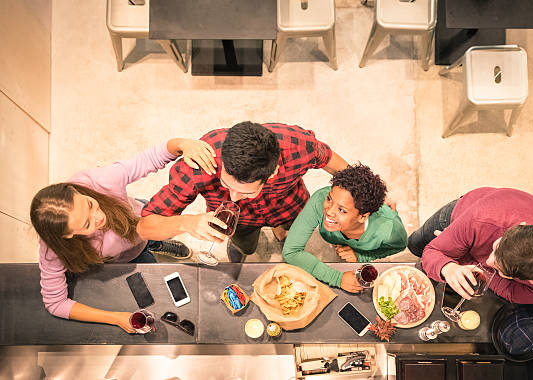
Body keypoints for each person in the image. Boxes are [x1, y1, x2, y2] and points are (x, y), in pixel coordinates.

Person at [31, 138, 215, 332]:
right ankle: (153, 246)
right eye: (87, 224)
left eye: (91, 204)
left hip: (139, 219)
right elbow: (55, 303)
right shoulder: (54, 250)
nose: (99, 216)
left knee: (155, 234)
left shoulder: (99, 181)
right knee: (153, 283)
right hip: (126, 257)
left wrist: (181, 145)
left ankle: (157, 244)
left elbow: (148, 159)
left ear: (77, 191)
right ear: (67, 236)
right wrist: (115, 318)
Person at [137, 121, 350, 263]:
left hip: (291, 206)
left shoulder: (298, 145)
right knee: (245, 247)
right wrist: (185, 223)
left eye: (245, 193)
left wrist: (364, 198)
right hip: (240, 224)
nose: (233, 198)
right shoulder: (199, 166)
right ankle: (243, 248)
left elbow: (330, 160)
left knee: (290, 232)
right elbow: (144, 228)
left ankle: (282, 231)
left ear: (273, 172)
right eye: (226, 186)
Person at [409, 187, 533, 304]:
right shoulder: (480, 218)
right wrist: (449, 266)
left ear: (531, 281)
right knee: (416, 244)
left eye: (498, 269)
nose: (488, 262)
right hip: (461, 214)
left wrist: (459, 261)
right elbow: (431, 251)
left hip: (470, 238)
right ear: (520, 226)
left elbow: (511, 293)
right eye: (496, 248)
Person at [283, 164, 408, 293]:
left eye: (342, 210)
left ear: (362, 217)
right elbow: (291, 252)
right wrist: (337, 278)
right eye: (330, 199)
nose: (329, 211)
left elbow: (398, 247)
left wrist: (361, 257)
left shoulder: (389, 230)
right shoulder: (320, 199)